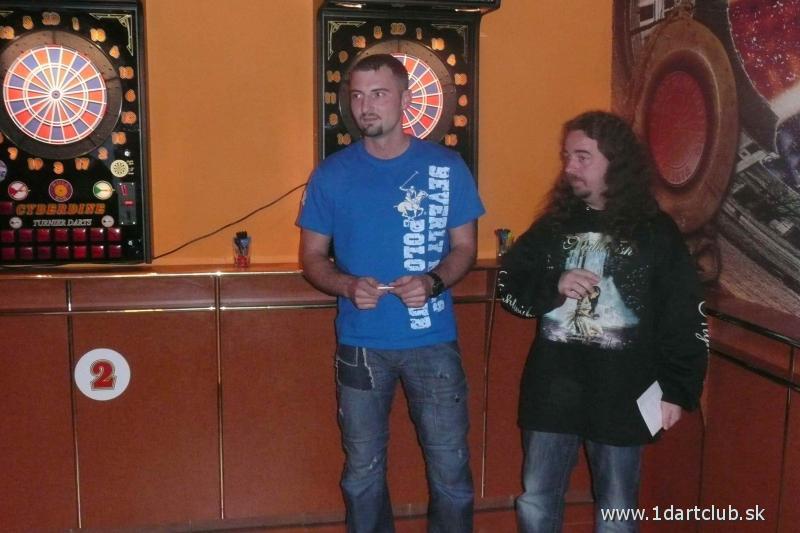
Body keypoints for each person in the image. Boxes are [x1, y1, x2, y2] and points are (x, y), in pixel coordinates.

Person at [297, 53, 484, 533]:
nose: (366, 106)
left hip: (432, 341)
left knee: (451, 471)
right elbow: (312, 257)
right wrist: (346, 284)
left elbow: (466, 247)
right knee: (362, 473)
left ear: (404, 98)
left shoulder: (446, 166)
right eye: (357, 95)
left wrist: (432, 281)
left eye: (378, 94)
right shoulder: (331, 174)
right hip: (360, 345)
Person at [497, 110, 708, 532]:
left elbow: (683, 314)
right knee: (536, 501)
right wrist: (555, 284)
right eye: (567, 156)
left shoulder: (656, 231)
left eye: (582, 157)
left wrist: (677, 390)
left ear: (616, 162)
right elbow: (509, 285)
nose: (569, 167)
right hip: (551, 391)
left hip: (624, 393)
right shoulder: (554, 226)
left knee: (617, 511)